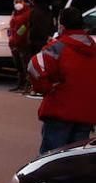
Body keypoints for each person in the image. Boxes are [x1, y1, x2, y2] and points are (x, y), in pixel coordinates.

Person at [28, 8, 96, 153]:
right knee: (76, 160)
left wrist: (45, 88)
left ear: (62, 26)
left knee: (51, 160)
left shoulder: (58, 47)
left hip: (60, 110)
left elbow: (34, 66)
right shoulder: (93, 48)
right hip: (87, 113)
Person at [8, 0, 35, 92]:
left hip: (22, 43)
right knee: (18, 65)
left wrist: (17, 38)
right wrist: (11, 39)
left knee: (25, 64)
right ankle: (20, 84)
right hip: (14, 42)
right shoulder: (15, 13)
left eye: (19, 2)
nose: (17, 4)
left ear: (23, 2)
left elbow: (25, 28)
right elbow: (11, 27)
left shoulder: (28, 13)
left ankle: (27, 85)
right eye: (15, 2)